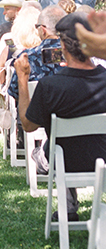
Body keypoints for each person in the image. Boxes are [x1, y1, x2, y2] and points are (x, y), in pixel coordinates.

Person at [16, 12, 106, 220]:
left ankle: (68, 206)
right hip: (103, 157)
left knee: (52, 148)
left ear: (62, 47)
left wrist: (23, 79)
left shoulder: (50, 86)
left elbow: (28, 126)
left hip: (68, 162)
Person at [7, 5, 66, 100]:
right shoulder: (77, 55)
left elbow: (15, 90)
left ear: (43, 30)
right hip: (74, 111)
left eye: (37, 26)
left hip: (36, 112)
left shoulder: (28, 57)